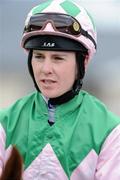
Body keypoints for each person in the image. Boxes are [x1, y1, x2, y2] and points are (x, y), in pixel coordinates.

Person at [0, 0, 120, 179]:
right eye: (39, 56)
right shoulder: (5, 124)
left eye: (58, 58)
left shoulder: (110, 131)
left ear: (83, 61)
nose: (46, 68)